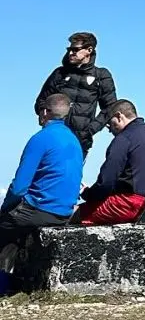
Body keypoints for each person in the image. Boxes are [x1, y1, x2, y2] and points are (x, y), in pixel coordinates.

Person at [0, 95, 84, 254]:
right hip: (63, 213)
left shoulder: (41, 138)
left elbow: (19, 188)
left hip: (38, 209)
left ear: (45, 112)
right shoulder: (74, 140)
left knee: (6, 225)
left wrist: (5, 210)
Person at [74, 101, 145, 226]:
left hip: (125, 204)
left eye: (109, 124)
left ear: (119, 116)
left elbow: (106, 182)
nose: (110, 130)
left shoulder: (124, 139)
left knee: (66, 214)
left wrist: (87, 193)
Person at [35, 32, 118, 156]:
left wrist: (89, 130)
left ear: (89, 50)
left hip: (80, 142)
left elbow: (110, 108)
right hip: (53, 137)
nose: (70, 53)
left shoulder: (101, 76)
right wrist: (47, 119)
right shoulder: (59, 74)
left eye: (75, 49)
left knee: (70, 175)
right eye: (69, 49)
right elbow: (41, 101)